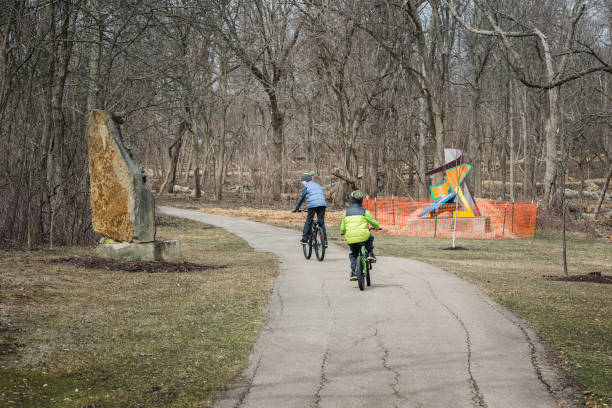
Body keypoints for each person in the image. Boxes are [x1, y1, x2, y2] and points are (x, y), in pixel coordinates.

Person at [340, 190, 380, 281]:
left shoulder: (346, 213)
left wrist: (343, 232)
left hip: (351, 238)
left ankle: (354, 272)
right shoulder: (364, 211)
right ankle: (370, 253)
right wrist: (378, 227)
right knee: (370, 237)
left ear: (351, 200)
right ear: (361, 200)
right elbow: (372, 221)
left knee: (353, 254)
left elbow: (342, 227)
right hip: (363, 236)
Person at [292, 172, 327, 246]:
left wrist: (296, 208)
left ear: (305, 180)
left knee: (309, 220)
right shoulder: (318, 185)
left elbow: (301, 198)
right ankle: (325, 242)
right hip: (322, 204)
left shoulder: (306, 186)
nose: (302, 183)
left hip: (313, 205)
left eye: (302, 181)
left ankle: (304, 239)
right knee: (321, 222)